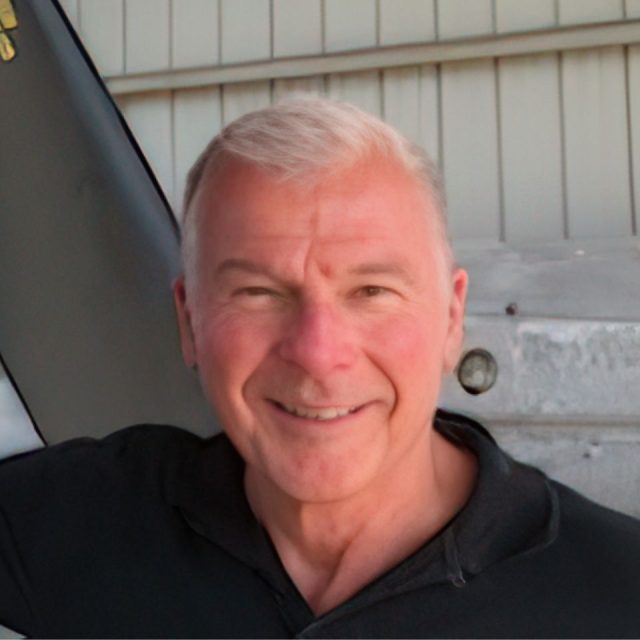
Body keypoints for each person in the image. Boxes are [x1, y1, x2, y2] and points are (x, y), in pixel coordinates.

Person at [0, 99, 638, 638]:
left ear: (451, 317)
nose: (316, 350)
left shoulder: (616, 593)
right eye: (258, 293)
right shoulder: (83, 522)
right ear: (189, 321)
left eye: (372, 292)